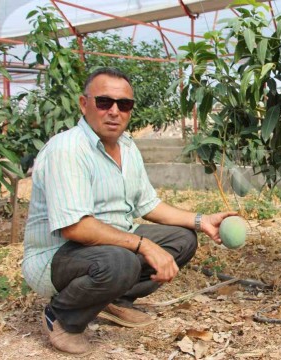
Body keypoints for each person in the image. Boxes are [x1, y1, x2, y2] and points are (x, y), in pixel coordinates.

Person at [23, 67, 237, 355]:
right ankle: (62, 317)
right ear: (84, 104)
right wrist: (143, 244)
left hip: (106, 249)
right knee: (122, 261)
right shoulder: (68, 149)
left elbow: (149, 205)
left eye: (124, 105)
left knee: (182, 240)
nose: (114, 111)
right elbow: (75, 227)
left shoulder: (126, 146)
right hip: (57, 256)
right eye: (104, 102)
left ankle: (113, 301)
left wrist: (201, 221)